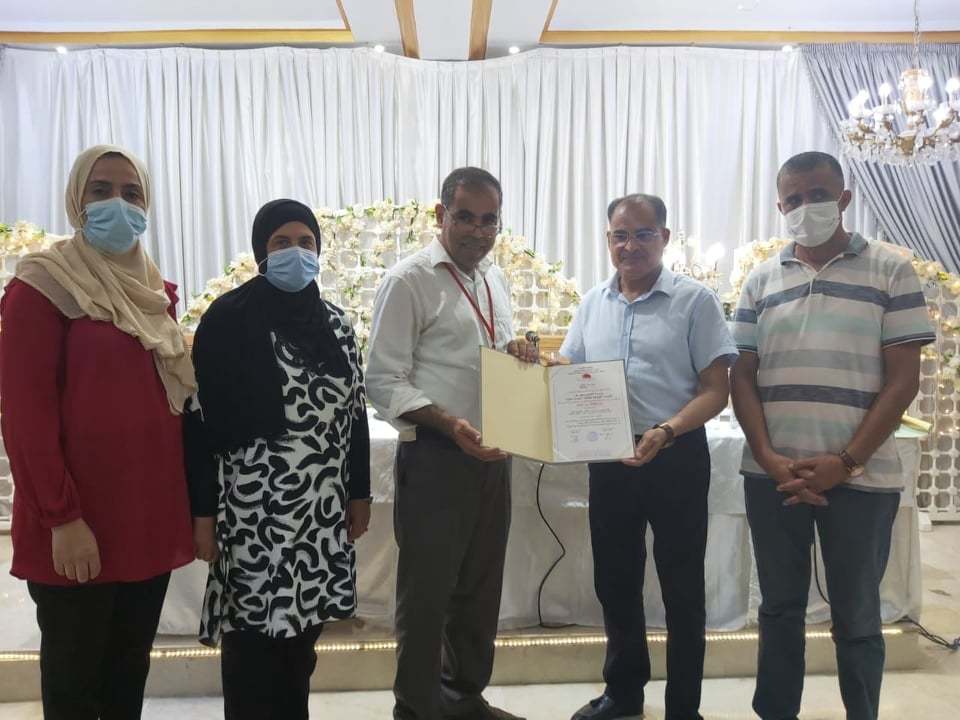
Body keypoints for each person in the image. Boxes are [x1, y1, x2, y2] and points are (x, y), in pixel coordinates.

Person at [730, 151, 935, 720]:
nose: (806, 208)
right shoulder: (761, 280)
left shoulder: (891, 270)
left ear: (844, 198)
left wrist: (844, 463)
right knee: (779, 609)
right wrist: (768, 457)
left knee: (859, 615)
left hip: (861, 478)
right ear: (780, 207)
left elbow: (903, 380)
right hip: (773, 476)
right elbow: (741, 376)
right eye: (793, 200)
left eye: (818, 195)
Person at [0, 144, 197, 719]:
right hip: (77, 527)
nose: (119, 203)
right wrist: (62, 517)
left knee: (126, 679)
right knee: (75, 687)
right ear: (76, 200)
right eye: (101, 190)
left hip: (145, 521)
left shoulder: (154, 294)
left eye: (132, 194)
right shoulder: (41, 288)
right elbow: (25, 417)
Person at [185, 199, 372, 720]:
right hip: (252, 515)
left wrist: (359, 494)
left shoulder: (336, 325)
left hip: (318, 516)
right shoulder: (227, 320)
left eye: (306, 242)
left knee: (300, 648)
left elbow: (354, 414)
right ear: (260, 252)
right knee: (251, 647)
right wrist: (203, 517)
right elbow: (199, 426)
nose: (296, 252)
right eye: (281, 243)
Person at [366, 167, 536, 720]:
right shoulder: (409, 281)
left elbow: (490, 355)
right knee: (427, 595)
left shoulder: (493, 278)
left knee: (480, 591)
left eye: (490, 220)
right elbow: (382, 379)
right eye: (465, 217)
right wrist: (450, 424)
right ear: (441, 215)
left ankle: (464, 699)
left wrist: (520, 353)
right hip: (437, 457)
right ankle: (417, 708)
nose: (478, 232)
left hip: (493, 456)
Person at [561, 194, 738, 720]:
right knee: (615, 580)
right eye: (620, 235)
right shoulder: (592, 303)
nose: (630, 245)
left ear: (664, 237)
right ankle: (623, 693)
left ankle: (684, 706)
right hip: (609, 457)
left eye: (642, 234)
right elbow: (569, 371)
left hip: (675, 453)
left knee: (682, 585)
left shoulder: (694, 301)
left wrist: (666, 430)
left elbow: (716, 390)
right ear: (608, 240)